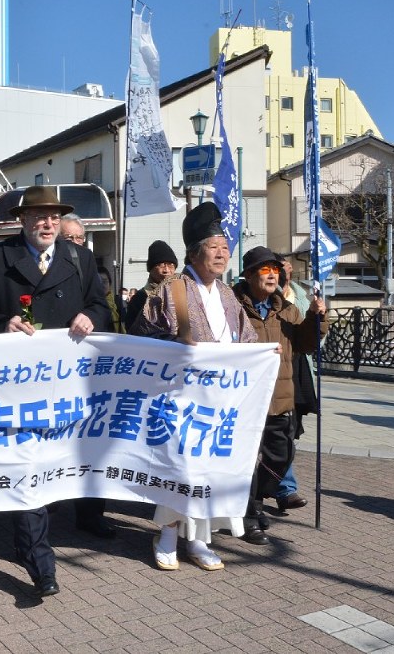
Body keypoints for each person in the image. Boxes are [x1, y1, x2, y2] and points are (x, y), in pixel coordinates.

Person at [0, 185, 112, 598]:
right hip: (17, 387)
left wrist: (90, 316)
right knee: (28, 465)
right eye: (38, 217)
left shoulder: (80, 258)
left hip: (68, 385)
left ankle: (64, 524)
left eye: (53, 217)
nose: (47, 224)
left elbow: (102, 307)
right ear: (22, 220)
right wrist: (3, 323)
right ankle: (39, 563)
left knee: (63, 460)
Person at [135, 201, 257, 572]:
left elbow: (247, 340)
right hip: (179, 398)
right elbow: (143, 339)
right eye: (213, 247)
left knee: (211, 470)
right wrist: (175, 346)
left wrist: (262, 356)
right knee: (180, 468)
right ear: (193, 253)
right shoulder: (172, 289)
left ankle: (199, 539)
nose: (222, 254)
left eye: (225, 247)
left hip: (220, 400)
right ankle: (167, 535)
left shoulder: (228, 294)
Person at [232, 247, 327, 543]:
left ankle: (255, 500)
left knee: (281, 457)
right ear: (249, 275)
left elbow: (305, 344)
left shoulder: (287, 309)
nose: (272, 274)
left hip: (280, 398)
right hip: (244, 400)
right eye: (265, 269)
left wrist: (316, 318)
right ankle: (248, 517)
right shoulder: (231, 306)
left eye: (275, 269)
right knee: (245, 462)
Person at [274, 254, 315, 512]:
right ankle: (261, 494)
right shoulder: (251, 301)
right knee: (268, 437)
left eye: (285, 267)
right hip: (265, 374)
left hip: (296, 369)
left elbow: (310, 338)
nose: (281, 271)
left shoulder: (299, 296)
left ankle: (285, 489)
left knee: (287, 434)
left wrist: (317, 319)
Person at [125, 240, 178, 331]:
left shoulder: (181, 293)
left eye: (170, 265)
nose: (166, 270)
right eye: (161, 265)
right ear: (151, 269)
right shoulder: (140, 298)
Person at [97, 266, 126, 333]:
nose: (102, 285)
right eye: (98, 282)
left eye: (104, 281)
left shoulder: (117, 301)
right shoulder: (89, 303)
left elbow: (125, 322)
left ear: (110, 283)